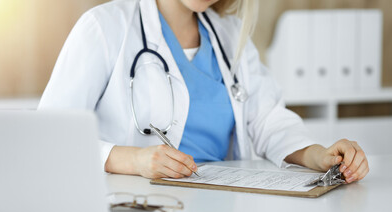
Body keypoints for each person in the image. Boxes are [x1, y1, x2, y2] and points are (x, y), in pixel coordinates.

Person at [38, 0, 369, 183]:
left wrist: (316, 155)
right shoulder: (105, 27)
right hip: (139, 205)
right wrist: (132, 159)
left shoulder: (230, 35)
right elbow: (48, 136)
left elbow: (268, 118)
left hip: (223, 207)